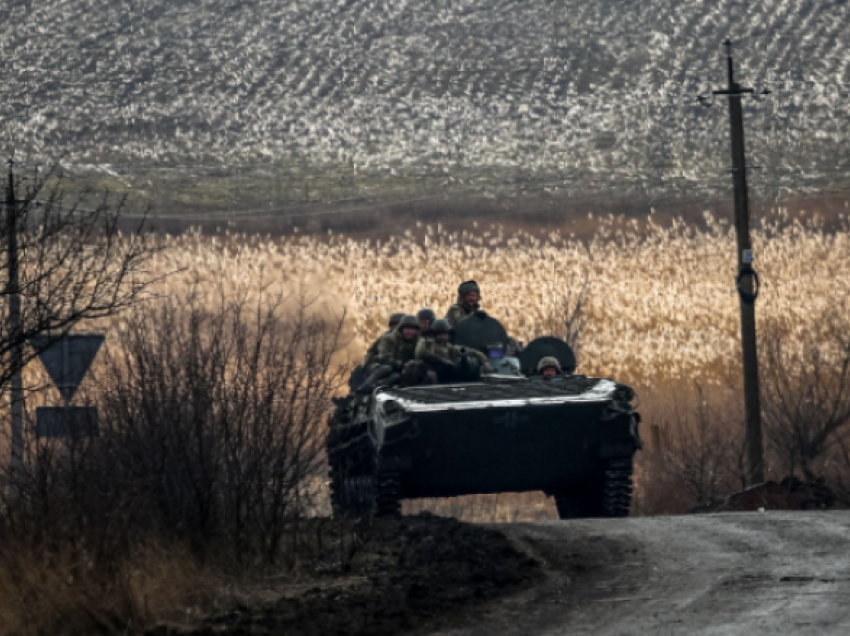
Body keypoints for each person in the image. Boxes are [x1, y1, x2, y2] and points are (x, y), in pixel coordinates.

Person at [356, 315, 421, 393]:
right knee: (387, 368)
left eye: (412, 329)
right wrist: (401, 364)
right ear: (401, 329)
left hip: (399, 370)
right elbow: (384, 358)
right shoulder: (389, 339)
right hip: (378, 365)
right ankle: (366, 386)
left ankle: (380, 385)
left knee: (397, 376)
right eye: (407, 329)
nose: (410, 332)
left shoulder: (418, 341)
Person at [416, 319, 491, 382]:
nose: (443, 336)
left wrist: (484, 361)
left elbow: (470, 351)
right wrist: (443, 360)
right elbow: (420, 353)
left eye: (445, 333)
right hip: (430, 374)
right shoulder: (427, 343)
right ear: (435, 334)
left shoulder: (449, 347)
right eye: (440, 333)